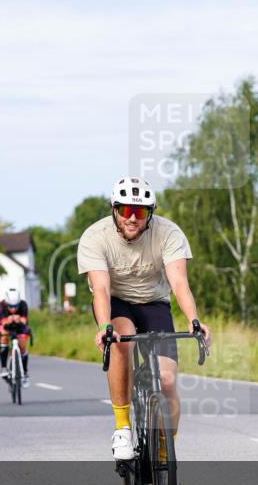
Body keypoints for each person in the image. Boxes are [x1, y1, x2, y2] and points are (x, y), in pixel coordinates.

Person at [77, 177, 211, 460]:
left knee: (168, 380)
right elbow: (100, 289)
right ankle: (123, 428)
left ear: (150, 213)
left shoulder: (168, 233)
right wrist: (105, 326)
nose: (132, 218)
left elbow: (179, 283)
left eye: (140, 212)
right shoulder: (95, 236)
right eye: (126, 210)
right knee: (121, 343)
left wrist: (194, 321)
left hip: (155, 303)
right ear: (114, 210)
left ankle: (164, 449)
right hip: (117, 302)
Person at [0, 288, 30, 388]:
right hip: (5, 325)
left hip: (19, 326)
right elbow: (1, 322)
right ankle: (4, 367)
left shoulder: (23, 304)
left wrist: (19, 320)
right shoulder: (1, 306)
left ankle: (25, 372)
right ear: (6, 303)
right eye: (10, 306)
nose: (13, 309)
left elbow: (24, 320)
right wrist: (8, 320)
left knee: (22, 344)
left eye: (15, 306)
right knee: (4, 336)